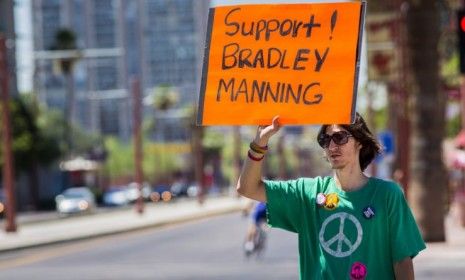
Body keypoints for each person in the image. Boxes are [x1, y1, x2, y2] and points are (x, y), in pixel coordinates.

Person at [236, 113, 425, 279]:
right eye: (326, 140)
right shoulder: (307, 193)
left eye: (340, 137)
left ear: (359, 141)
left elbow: (402, 261)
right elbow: (247, 188)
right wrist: (259, 143)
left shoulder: (388, 195)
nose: (332, 145)